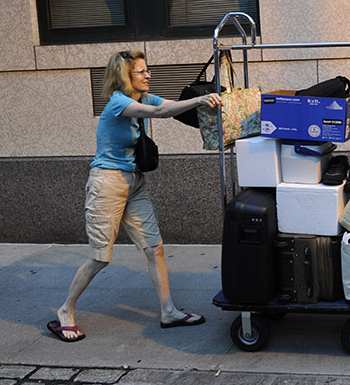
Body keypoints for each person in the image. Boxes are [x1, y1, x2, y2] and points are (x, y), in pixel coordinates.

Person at [47, 50, 222, 342]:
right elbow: (159, 113)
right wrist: (201, 99)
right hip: (108, 184)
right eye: (141, 71)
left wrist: (203, 100)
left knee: (155, 248)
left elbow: (169, 106)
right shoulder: (119, 102)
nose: (148, 75)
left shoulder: (144, 98)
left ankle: (168, 311)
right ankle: (65, 311)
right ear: (125, 77)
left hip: (134, 183)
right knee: (101, 257)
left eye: (147, 70)